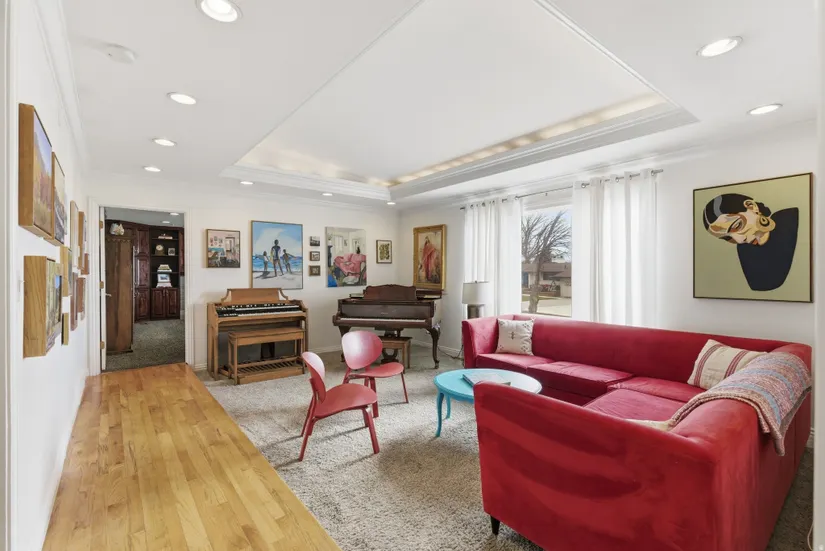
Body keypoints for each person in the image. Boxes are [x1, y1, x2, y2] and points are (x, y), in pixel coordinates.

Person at [701, 193, 799, 291]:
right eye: (727, 238)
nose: (739, 240)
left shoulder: (789, 218)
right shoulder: (745, 251)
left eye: (737, 225)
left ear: (751, 207)